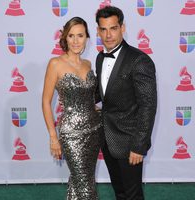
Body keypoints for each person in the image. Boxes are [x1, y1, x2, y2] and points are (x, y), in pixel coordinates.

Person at [95, 6, 157, 200]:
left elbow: (148, 106)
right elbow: (103, 91)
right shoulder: (99, 57)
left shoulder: (139, 60)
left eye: (113, 28)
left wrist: (139, 146)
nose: (108, 34)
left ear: (123, 28)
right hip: (107, 139)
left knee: (133, 195)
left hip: (130, 142)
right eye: (103, 29)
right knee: (120, 192)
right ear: (98, 31)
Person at [42, 17, 101, 200]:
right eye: (71, 36)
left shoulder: (88, 64)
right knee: (83, 182)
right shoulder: (55, 63)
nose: (76, 41)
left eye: (80, 36)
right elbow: (45, 101)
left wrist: (95, 109)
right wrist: (53, 137)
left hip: (94, 130)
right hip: (71, 133)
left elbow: (89, 97)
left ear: (87, 38)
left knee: (83, 181)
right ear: (65, 38)